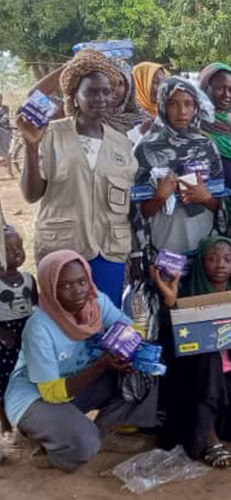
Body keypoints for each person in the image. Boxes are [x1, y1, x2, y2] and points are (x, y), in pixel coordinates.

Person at [3, 250, 158, 472]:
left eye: (82, 281)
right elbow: (51, 392)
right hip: (36, 399)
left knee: (145, 370)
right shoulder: (39, 328)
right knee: (84, 446)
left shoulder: (96, 303)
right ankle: (46, 443)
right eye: (65, 286)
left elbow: (131, 328)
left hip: (77, 385)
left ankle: (102, 431)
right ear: (50, 290)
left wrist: (128, 348)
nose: (77, 291)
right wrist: (101, 365)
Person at [18, 49, 137, 308]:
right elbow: (31, 194)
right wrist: (30, 146)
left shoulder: (122, 144)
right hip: (63, 248)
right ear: (74, 95)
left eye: (106, 92)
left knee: (105, 326)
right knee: (64, 324)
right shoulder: (51, 134)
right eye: (91, 91)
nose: (100, 98)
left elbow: (127, 206)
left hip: (109, 251)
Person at [152, 236, 231, 467]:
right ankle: (209, 439)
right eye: (212, 259)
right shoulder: (186, 295)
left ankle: (215, 427)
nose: (220, 264)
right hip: (198, 378)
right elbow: (170, 344)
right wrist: (171, 302)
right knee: (209, 352)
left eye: (227, 259)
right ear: (202, 263)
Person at [132, 77, 226, 279]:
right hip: (164, 246)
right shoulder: (145, 149)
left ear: (196, 107)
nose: (182, 111)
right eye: (173, 104)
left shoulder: (207, 147)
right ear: (163, 106)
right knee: (169, 300)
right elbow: (138, 213)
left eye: (188, 104)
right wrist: (159, 198)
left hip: (203, 244)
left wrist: (206, 198)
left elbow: (221, 205)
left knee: (200, 301)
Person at [0, 225, 38, 433]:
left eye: (19, 246)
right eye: (9, 248)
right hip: (4, 337)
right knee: (3, 379)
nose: (17, 252)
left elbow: (37, 307)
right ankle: (5, 424)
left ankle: (26, 418)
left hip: (26, 333)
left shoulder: (29, 280)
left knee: (27, 375)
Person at [199, 62, 231, 204]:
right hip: (208, 203)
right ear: (205, 88)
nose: (227, 95)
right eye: (219, 88)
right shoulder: (194, 123)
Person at [106, 59, 149, 138]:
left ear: (128, 87)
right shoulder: (84, 123)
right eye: (108, 82)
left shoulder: (145, 122)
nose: (113, 89)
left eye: (119, 83)